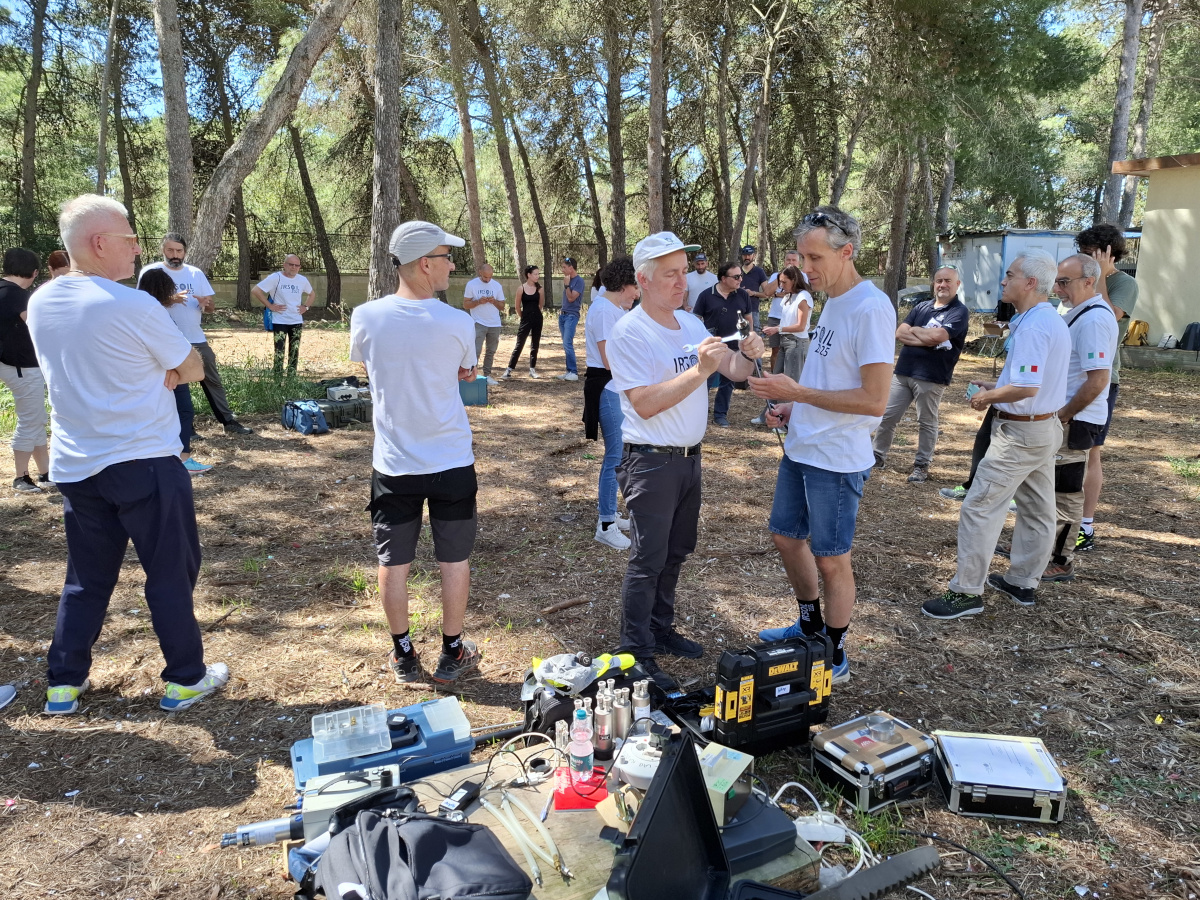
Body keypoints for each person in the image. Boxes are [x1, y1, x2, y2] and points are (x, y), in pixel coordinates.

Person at [28, 194, 228, 714]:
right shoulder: (132, 303)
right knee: (169, 572)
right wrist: (167, 372)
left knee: (85, 579)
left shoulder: (44, 302)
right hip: (143, 460)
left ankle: (63, 684)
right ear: (98, 244)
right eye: (130, 238)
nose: (140, 248)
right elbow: (193, 368)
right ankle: (186, 677)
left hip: (76, 464)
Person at [607, 232, 765, 691]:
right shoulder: (629, 332)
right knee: (647, 558)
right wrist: (700, 370)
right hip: (651, 461)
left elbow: (732, 371)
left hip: (689, 460)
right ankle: (634, 650)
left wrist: (748, 356)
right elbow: (644, 403)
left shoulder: (691, 325)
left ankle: (660, 628)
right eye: (671, 274)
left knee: (676, 550)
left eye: (684, 271)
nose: (682, 283)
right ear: (644, 280)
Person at [748, 208, 894, 684]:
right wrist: (794, 409)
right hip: (802, 445)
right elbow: (828, 378)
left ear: (846, 251)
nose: (804, 267)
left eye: (814, 257)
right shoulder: (834, 301)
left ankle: (833, 652)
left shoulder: (871, 307)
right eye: (801, 257)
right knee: (786, 538)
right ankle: (809, 626)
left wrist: (798, 395)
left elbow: (874, 401)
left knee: (832, 558)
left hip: (836, 457)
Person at [349, 220, 482, 685]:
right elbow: (466, 372)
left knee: (393, 562)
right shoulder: (460, 321)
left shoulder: (365, 316)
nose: (452, 266)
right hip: (450, 461)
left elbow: (371, 370)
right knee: (454, 560)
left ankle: (404, 655)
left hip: (393, 464)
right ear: (426, 263)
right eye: (448, 257)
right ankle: (452, 651)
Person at [921, 250, 1070, 619]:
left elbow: (1026, 386)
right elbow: (1030, 381)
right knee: (1038, 509)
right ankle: (1022, 581)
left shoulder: (1035, 325)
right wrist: (996, 384)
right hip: (1042, 428)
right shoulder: (1045, 320)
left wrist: (989, 396)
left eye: (1010, 275)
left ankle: (966, 591)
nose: (1003, 281)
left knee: (980, 506)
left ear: (1031, 283)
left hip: (1020, 435)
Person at [1032, 254, 1118, 582]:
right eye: (1056, 281)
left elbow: (1098, 380)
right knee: (1049, 489)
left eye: (1064, 282)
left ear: (1088, 281)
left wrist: (1065, 415)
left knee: (1066, 492)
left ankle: (1060, 559)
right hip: (1066, 416)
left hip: (1077, 420)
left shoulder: (1095, 318)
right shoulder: (1078, 313)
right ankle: (1039, 549)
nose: (1057, 289)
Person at [142, 233, 253, 435]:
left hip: (196, 338)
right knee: (174, 384)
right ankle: (186, 428)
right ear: (162, 250)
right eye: (170, 250)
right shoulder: (152, 272)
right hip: (167, 340)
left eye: (179, 251)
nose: (175, 255)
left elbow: (210, 307)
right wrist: (169, 299)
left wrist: (207, 304)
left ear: (185, 252)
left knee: (211, 379)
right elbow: (142, 305)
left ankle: (228, 421)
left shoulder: (195, 273)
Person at [871, 266, 970, 482]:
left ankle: (921, 466)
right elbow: (900, 332)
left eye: (947, 281)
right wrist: (927, 337)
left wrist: (917, 331)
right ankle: (877, 456)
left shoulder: (959, 311)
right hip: (904, 372)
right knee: (887, 416)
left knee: (926, 422)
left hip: (932, 376)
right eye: (939, 281)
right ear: (934, 283)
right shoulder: (922, 306)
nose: (942, 285)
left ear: (957, 285)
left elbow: (941, 334)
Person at [1074, 224, 1138, 552]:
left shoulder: (1124, 283)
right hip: (1071, 377)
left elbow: (1109, 314)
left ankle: (1085, 525)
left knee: (1090, 452)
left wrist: (1098, 275)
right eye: (1082, 253)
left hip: (1101, 379)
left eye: (1091, 254)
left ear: (1109, 253)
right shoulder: (1080, 281)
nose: (1085, 259)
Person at [583, 256, 638, 551]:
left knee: (620, 455)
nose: (638, 294)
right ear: (624, 284)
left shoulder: (612, 309)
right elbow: (609, 359)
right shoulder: (605, 310)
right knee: (614, 456)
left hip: (616, 387)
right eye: (636, 287)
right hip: (607, 387)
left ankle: (611, 514)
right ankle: (605, 524)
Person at [137, 268, 214, 473]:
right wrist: (177, 368)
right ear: (164, 289)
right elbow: (174, 348)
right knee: (184, 411)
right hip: (170, 373)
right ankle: (183, 460)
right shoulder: (158, 314)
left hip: (150, 378)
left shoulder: (139, 310)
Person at [0, 248, 51, 493]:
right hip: (22, 367)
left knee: (37, 418)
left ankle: (45, 472)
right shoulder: (18, 295)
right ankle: (20, 477)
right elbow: (38, 327)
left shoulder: (2, 289)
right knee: (31, 420)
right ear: (34, 272)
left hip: (12, 365)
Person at [692, 261, 753, 427]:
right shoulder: (706, 295)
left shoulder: (743, 295)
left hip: (734, 348)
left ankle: (720, 415)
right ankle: (697, 415)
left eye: (741, 275)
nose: (740, 279)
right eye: (736, 277)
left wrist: (749, 337)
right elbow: (696, 319)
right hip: (711, 348)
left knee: (728, 384)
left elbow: (748, 318)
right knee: (703, 382)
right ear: (723, 278)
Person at [251, 254, 314, 377]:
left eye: (297, 265)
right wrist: (270, 306)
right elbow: (256, 290)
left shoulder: (302, 280)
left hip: (296, 320)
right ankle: (278, 379)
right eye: (291, 264)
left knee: (294, 351)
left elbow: (312, 294)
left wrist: (305, 307)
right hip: (279, 320)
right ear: (284, 265)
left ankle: (291, 379)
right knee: (279, 351)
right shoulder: (275, 277)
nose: (294, 267)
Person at [761, 264, 812, 384]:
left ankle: (789, 403)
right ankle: (773, 403)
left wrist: (777, 330)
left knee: (791, 381)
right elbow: (786, 323)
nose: (781, 286)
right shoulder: (788, 296)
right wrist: (773, 328)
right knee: (777, 377)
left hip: (796, 343)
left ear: (794, 280)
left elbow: (801, 326)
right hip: (785, 341)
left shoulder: (803, 297)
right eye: (780, 282)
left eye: (784, 282)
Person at [463, 263, 505, 386]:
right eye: (485, 277)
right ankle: (472, 376)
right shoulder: (472, 285)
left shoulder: (497, 286)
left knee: (491, 350)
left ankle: (487, 375)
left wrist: (494, 301)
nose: (488, 279)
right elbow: (466, 304)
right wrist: (478, 302)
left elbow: (502, 306)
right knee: (475, 350)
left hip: (494, 323)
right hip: (478, 322)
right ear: (480, 273)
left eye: (490, 277)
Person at [761, 249, 802, 373]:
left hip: (793, 318)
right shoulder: (776, 276)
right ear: (784, 262)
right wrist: (780, 277)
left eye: (793, 260)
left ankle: (790, 377)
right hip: (775, 316)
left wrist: (781, 293)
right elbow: (767, 292)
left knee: (792, 350)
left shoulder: (803, 276)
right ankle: (774, 377)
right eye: (788, 260)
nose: (790, 263)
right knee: (776, 350)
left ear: (799, 263)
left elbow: (802, 294)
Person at [503, 265, 544, 379]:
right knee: (519, 344)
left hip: (537, 319)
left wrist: (534, 315)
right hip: (525, 319)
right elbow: (517, 307)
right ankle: (509, 369)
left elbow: (540, 305)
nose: (537, 276)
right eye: (535, 274)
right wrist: (524, 317)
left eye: (538, 274)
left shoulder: (540, 289)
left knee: (535, 344)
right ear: (529, 275)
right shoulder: (521, 288)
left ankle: (532, 369)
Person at [557, 257, 584, 381]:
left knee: (568, 343)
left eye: (564, 267)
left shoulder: (579, 281)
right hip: (563, 315)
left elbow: (571, 298)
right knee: (565, 343)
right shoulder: (568, 280)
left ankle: (573, 371)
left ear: (571, 267)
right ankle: (568, 371)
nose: (562, 270)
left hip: (571, 316)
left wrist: (567, 285)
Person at [738, 245, 770, 328]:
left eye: (749, 255)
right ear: (742, 256)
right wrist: (738, 291)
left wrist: (753, 293)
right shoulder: (737, 271)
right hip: (736, 310)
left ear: (754, 255)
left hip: (753, 311)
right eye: (745, 255)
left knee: (753, 336)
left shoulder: (759, 272)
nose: (747, 257)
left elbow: (767, 293)